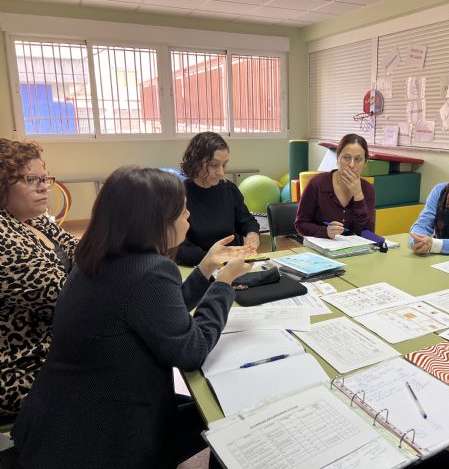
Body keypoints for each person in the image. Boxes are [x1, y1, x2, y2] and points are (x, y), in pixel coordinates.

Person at [12, 166, 254, 469]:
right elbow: (191, 351)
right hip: (105, 435)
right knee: (225, 415)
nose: (188, 216)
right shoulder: (150, 269)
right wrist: (222, 285)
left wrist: (205, 267)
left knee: (207, 409)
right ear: (154, 221)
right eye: (181, 211)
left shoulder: (99, 256)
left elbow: (155, 313)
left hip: (63, 416)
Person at [0, 138, 78, 419]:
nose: (44, 187)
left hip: (57, 346)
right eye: (31, 179)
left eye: (45, 178)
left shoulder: (37, 219)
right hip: (22, 366)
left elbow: (85, 254)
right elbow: (68, 301)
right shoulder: (3, 238)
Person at [176, 132, 260, 266]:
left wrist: (252, 235)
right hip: (200, 268)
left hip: (233, 262)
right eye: (214, 165)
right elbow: (181, 250)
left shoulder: (228, 189)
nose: (221, 172)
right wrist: (219, 257)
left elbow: (247, 221)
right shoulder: (179, 196)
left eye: (224, 165)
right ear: (196, 163)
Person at [295, 133, 375, 238]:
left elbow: (367, 232)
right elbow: (301, 224)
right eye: (346, 158)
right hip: (321, 247)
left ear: (365, 163)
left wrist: (358, 194)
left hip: (354, 250)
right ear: (337, 158)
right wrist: (325, 231)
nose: (351, 165)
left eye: (358, 159)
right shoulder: (317, 184)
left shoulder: (368, 189)